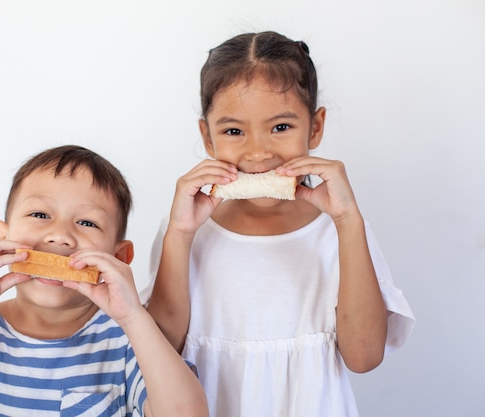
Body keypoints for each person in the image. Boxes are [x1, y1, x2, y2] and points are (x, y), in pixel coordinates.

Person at [145, 31, 415, 416]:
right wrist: (180, 235)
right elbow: (159, 354)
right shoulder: (185, 230)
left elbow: (364, 357)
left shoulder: (338, 231)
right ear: (207, 137)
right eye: (233, 131)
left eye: (281, 127)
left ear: (316, 127)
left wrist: (348, 221)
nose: (259, 152)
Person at [0, 145, 209, 417]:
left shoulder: (128, 338)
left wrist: (134, 318)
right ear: (1, 238)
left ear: (120, 257)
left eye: (87, 222)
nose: (60, 235)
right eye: (39, 214)